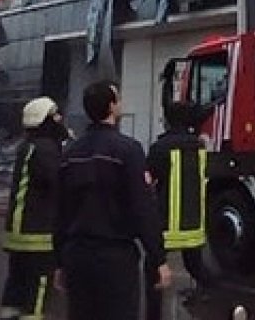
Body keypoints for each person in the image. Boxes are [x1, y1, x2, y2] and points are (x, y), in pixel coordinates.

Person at [54, 82, 169, 320]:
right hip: (115, 256)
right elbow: (142, 207)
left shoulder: (70, 154)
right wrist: (158, 257)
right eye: (118, 99)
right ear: (111, 106)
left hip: (77, 254)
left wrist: (59, 261)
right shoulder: (128, 150)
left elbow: (61, 211)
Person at [0, 97, 68, 320]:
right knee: (37, 292)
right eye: (55, 116)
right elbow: (59, 183)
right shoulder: (46, 149)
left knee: (16, 287)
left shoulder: (28, 147)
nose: (60, 119)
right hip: (38, 234)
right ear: (44, 120)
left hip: (18, 233)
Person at [146, 102, 211, 318]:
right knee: (196, 266)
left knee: (153, 270)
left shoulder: (160, 147)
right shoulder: (199, 145)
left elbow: (147, 179)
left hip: (166, 225)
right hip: (193, 224)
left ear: (168, 120)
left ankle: (153, 315)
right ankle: (217, 303)